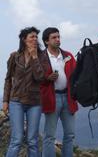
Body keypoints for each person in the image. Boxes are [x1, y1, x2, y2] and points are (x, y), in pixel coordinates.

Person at [2, 27, 45, 157]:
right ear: (23, 39)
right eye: (32, 36)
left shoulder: (42, 56)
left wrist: (34, 57)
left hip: (35, 102)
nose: (35, 39)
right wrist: (5, 100)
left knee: (32, 140)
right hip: (16, 101)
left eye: (36, 37)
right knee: (17, 139)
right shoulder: (14, 56)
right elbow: (8, 79)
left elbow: (40, 77)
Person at [40, 27, 78, 157]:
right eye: (54, 38)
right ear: (46, 41)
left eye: (58, 37)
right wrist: (47, 78)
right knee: (49, 135)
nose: (57, 39)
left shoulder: (68, 56)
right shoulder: (41, 58)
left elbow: (76, 74)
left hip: (68, 97)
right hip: (52, 98)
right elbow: (34, 79)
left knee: (70, 134)